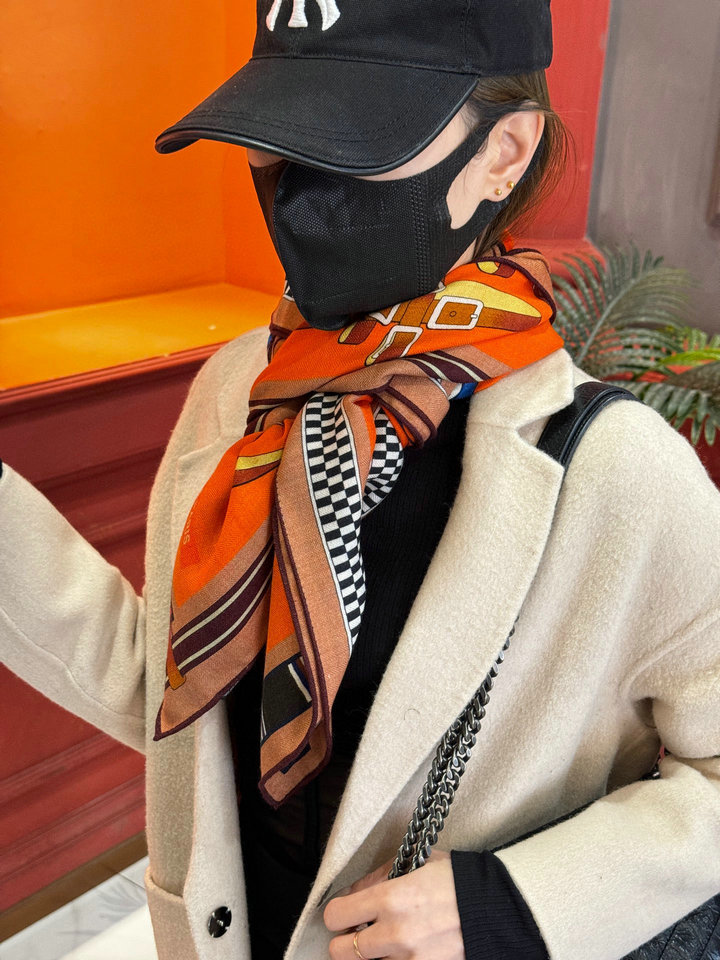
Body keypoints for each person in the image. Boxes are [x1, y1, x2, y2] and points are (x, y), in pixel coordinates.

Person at [2, 2, 720, 960]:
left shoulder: (615, 472)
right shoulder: (243, 388)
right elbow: (176, 689)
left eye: (355, 143)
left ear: (503, 152)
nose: (298, 191)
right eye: (274, 141)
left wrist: (521, 902)